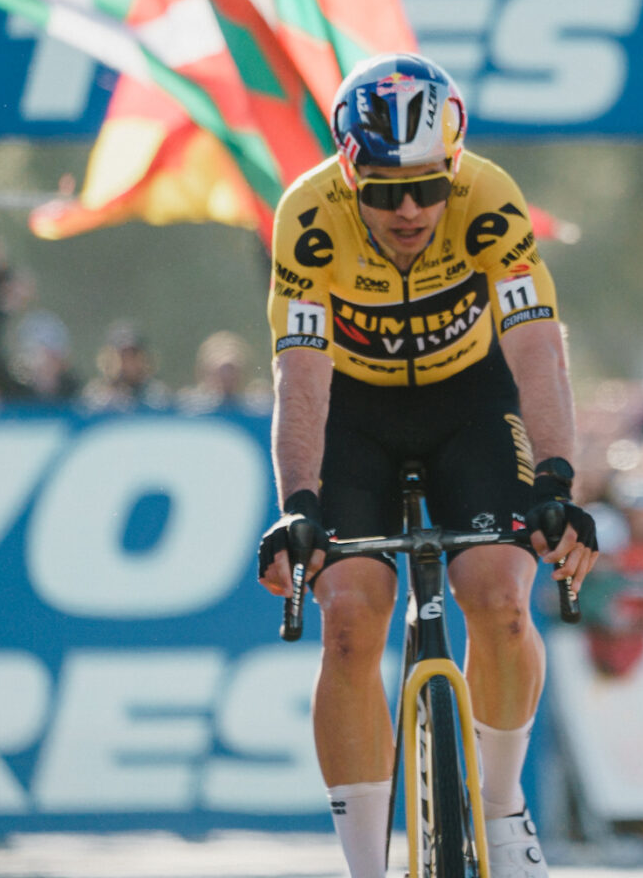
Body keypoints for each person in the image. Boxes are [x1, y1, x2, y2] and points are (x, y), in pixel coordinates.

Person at [254, 55, 597, 878]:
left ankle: (504, 806)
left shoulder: (488, 198)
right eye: (381, 189)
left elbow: (537, 348)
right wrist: (297, 503)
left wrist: (556, 482)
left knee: (501, 599)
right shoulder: (307, 216)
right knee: (349, 619)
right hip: (354, 414)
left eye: (426, 186)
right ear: (348, 172)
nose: (408, 209)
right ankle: (365, 866)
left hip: (470, 403)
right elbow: (300, 374)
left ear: (453, 167)